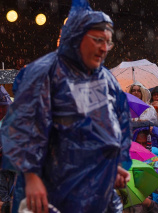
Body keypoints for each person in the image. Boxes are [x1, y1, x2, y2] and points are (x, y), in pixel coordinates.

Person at [1, 1, 132, 212]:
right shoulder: (43, 72)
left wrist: (117, 163)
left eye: (108, 42)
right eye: (98, 40)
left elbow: (120, 123)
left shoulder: (107, 79)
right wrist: (32, 178)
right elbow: (22, 127)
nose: (104, 48)